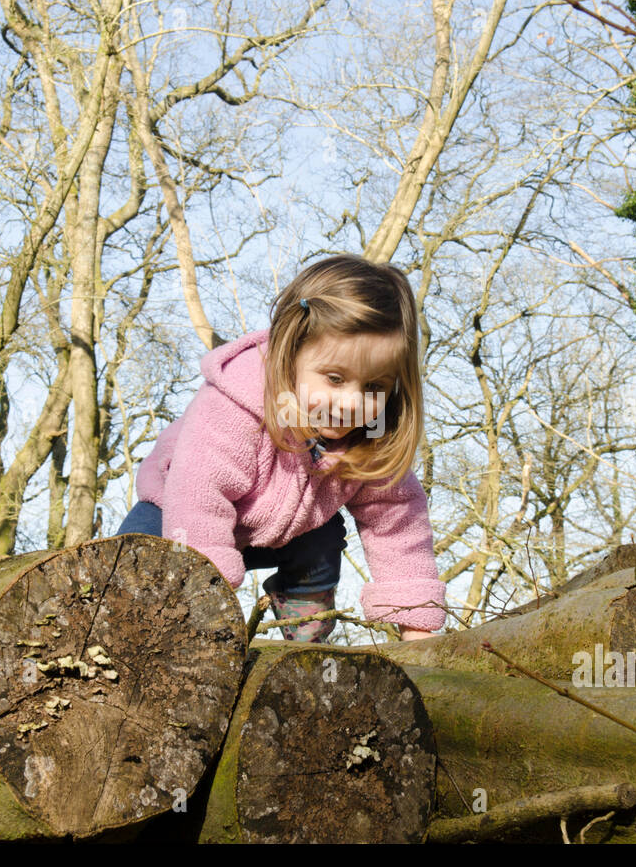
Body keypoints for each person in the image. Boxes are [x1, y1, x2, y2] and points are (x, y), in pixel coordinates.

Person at [114, 253, 446, 643]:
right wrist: (199, 605)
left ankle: (305, 634)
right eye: (335, 378)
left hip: (282, 532)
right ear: (290, 355)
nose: (352, 403)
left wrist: (417, 625)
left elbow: (398, 524)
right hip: (176, 518)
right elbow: (198, 492)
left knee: (323, 538)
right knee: (130, 567)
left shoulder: (372, 432)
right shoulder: (238, 400)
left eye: (373, 387)